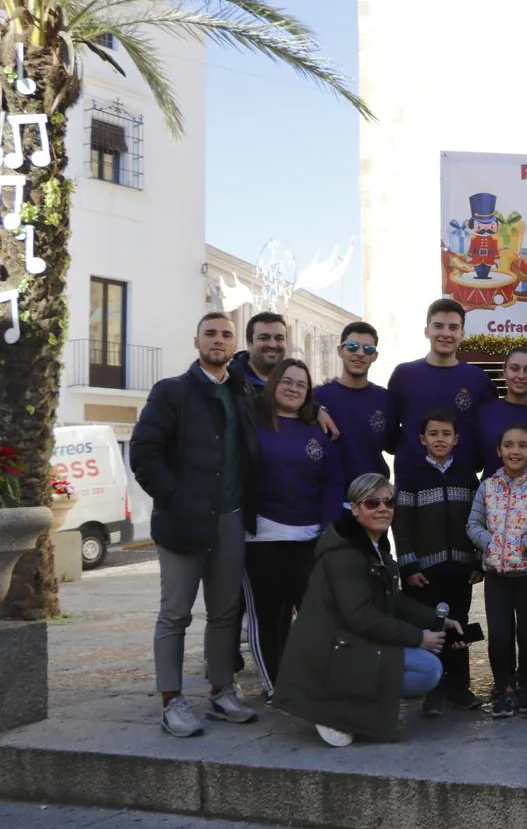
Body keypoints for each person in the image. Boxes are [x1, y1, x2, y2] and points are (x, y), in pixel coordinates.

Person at [130, 312, 259, 738]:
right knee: (175, 614)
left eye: (225, 334)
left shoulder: (240, 392)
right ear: (196, 341)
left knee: (224, 612)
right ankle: (171, 701)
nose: (218, 341)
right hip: (183, 522)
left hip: (231, 519)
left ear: (233, 343)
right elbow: (145, 453)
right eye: (211, 334)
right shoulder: (172, 392)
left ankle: (221, 691)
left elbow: (287, 404)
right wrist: (175, 498)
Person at [273, 474, 467, 747]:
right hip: (332, 652)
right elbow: (360, 616)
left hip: (349, 643)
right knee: (428, 670)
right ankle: (334, 709)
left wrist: (437, 620)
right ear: (354, 508)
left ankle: (350, 703)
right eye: (372, 503)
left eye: (388, 502)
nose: (383, 509)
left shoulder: (373, 547)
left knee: (424, 664)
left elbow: (393, 599)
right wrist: (417, 637)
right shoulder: (346, 554)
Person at [243, 358, 345, 703]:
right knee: (268, 619)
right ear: (273, 384)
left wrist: (328, 526)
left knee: (317, 618)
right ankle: (275, 686)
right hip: (262, 539)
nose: (293, 388)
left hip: (308, 539)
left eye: (301, 384)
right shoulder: (251, 423)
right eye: (287, 381)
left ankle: (314, 680)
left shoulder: (318, 428)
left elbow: (333, 480)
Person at [466, 425, 527, 718]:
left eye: (522, 446)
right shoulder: (488, 487)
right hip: (497, 576)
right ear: (499, 450)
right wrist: (491, 544)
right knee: (498, 634)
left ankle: (524, 686)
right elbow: (473, 525)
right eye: (509, 445)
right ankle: (503, 688)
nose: (515, 451)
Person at [392, 409, 483, 715]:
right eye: (434, 434)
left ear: (456, 439)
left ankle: (459, 686)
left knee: (458, 627)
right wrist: (408, 565)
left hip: (460, 569)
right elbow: (401, 525)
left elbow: (478, 519)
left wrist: (477, 561)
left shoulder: (467, 475)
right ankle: (433, 690)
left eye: (446, 434)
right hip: (425, 573)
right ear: (422, 439)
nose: (440, 439)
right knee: (431, 627)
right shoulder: (410, 478)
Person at [387, 299, 497, 482]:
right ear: (427, 331)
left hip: (463, 483)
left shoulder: (478, 379)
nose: (445, 333)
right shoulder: (404, 375)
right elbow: (389, 430)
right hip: (411, 482)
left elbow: (493, 427)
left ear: (462, 334)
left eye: (453, 328)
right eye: (438, 326)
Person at [314, 321, 391, 488]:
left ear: (374, 356)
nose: (360, 353)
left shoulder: (386, 399)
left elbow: (397, 443)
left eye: (368, 349)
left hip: (373, 500)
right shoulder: (318, 398)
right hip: (330, 499)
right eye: (353, 346)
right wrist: (315, 408)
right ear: (340, 351)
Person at [478, 346, 527, 477]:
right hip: (491, 494)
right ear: (504, 371)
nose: (521, 375)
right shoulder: (484, 412)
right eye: (514, 368)